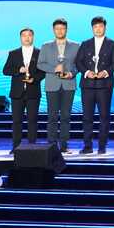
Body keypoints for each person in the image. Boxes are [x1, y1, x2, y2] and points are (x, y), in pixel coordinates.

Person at [75, 15, 114, 155]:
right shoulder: (85, 43)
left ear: (105, 27)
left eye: (100, 26)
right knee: (87, 117)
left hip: (104, 84)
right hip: (87, 85)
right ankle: (87, 146)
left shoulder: (112, 43)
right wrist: (87, 72)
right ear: (92, 28)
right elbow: (78, 62)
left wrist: (105, 72)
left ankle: (102, 146)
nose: (98, 29)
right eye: (95, 27)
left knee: (104, 116)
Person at [37, 18, 78, 153]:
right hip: (52, 85)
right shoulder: (46, 46)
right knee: (52, 116)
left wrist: (71, 73)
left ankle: (64, 145)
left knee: (66, 116)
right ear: (53, 30)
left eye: (62, 28)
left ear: (66, 29)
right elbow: (40, 64)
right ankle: (52, 145)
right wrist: (54, 69)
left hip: (69, 84)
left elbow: (79, 64)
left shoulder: (75, 45)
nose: (60, 31)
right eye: (57, 29)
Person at [1, 27, 41, 154]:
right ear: (20, 38)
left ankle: (32, 147)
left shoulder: (39, 53)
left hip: (33, 92)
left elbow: (43, 72)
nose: (27, 38)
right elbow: (5, 70)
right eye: (24, 35)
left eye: (29, 35)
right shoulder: (13, 53)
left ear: (33, 37)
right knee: (17, 121)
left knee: (32, 121)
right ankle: (16, 147)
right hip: (17, 93)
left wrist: (34, 79)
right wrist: (18, 70)